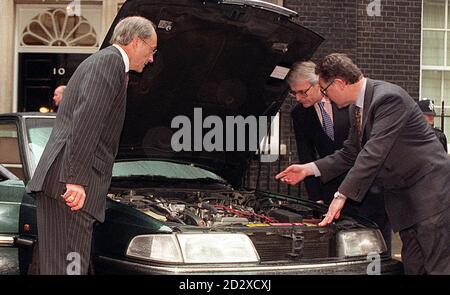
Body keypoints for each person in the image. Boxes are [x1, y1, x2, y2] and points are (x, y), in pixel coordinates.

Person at [276, 53, 450, 275]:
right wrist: (309, 169)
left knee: (439, 266)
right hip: (406, 201)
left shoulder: (388, 98)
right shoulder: (356, 107)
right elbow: (350, 153)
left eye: (324, 88)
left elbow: (373, 152)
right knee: (414, 266)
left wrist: (341, 195)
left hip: (430, 196)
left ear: (339, 83)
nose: (324, 95)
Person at [26, 16, 158, 275]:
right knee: (70, 266)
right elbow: (87, 121)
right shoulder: (109, 63)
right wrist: (76, 180)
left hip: (63, 185)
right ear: (136, 41)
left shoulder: (104, 62)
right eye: (152, 50)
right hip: (70, 189)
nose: (151, 58)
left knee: (63, 266)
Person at [287, 61, 391, 250]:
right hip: (331, 190)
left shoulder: (350, 102)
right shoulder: (299, 114)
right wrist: (316, 199)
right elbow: (306, 155)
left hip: (369, 188)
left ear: (319, 83)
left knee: (375, 249)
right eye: (293, 93)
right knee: (340, 248)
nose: (298, 98)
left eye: (303, 92)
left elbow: (365, 151)